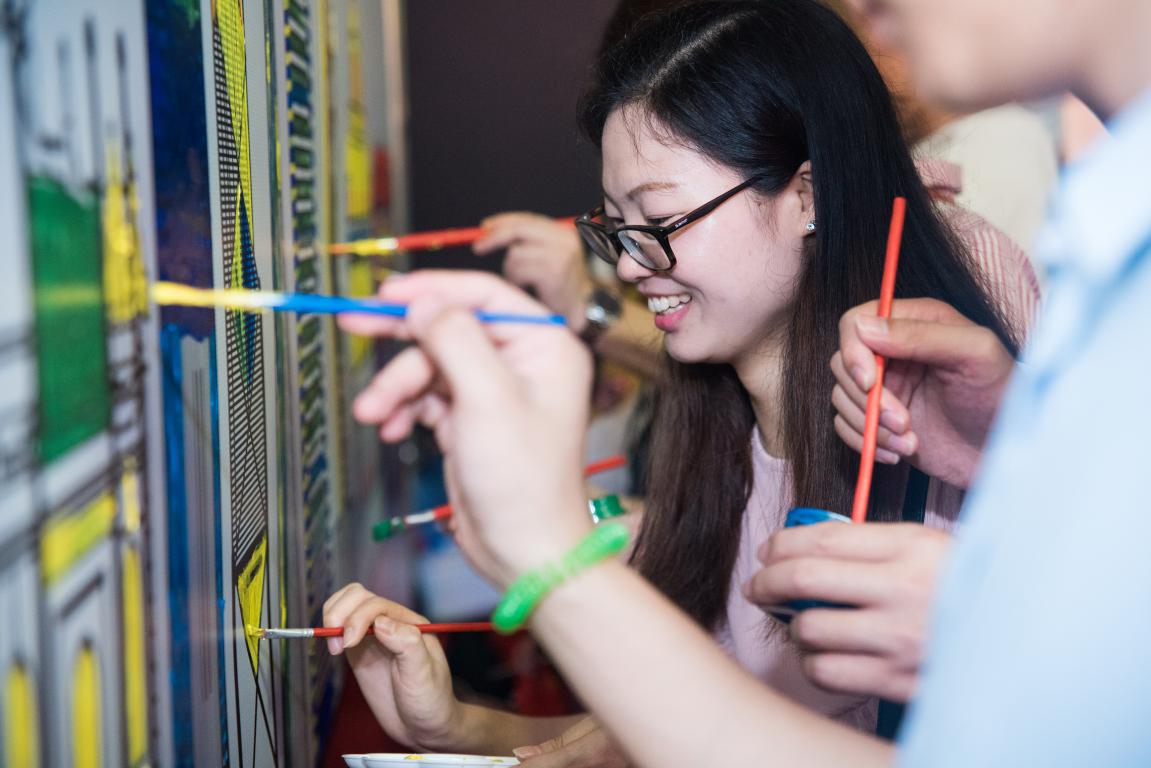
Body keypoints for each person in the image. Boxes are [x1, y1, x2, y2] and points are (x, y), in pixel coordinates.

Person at [331, 0, 1151, 761]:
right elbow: (700, 735)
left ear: (807, 196)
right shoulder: (716, 437)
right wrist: (461, 725)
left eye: (660, 223)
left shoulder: (958, 320)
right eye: (617, 228)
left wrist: (553, 561)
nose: (629, 265)